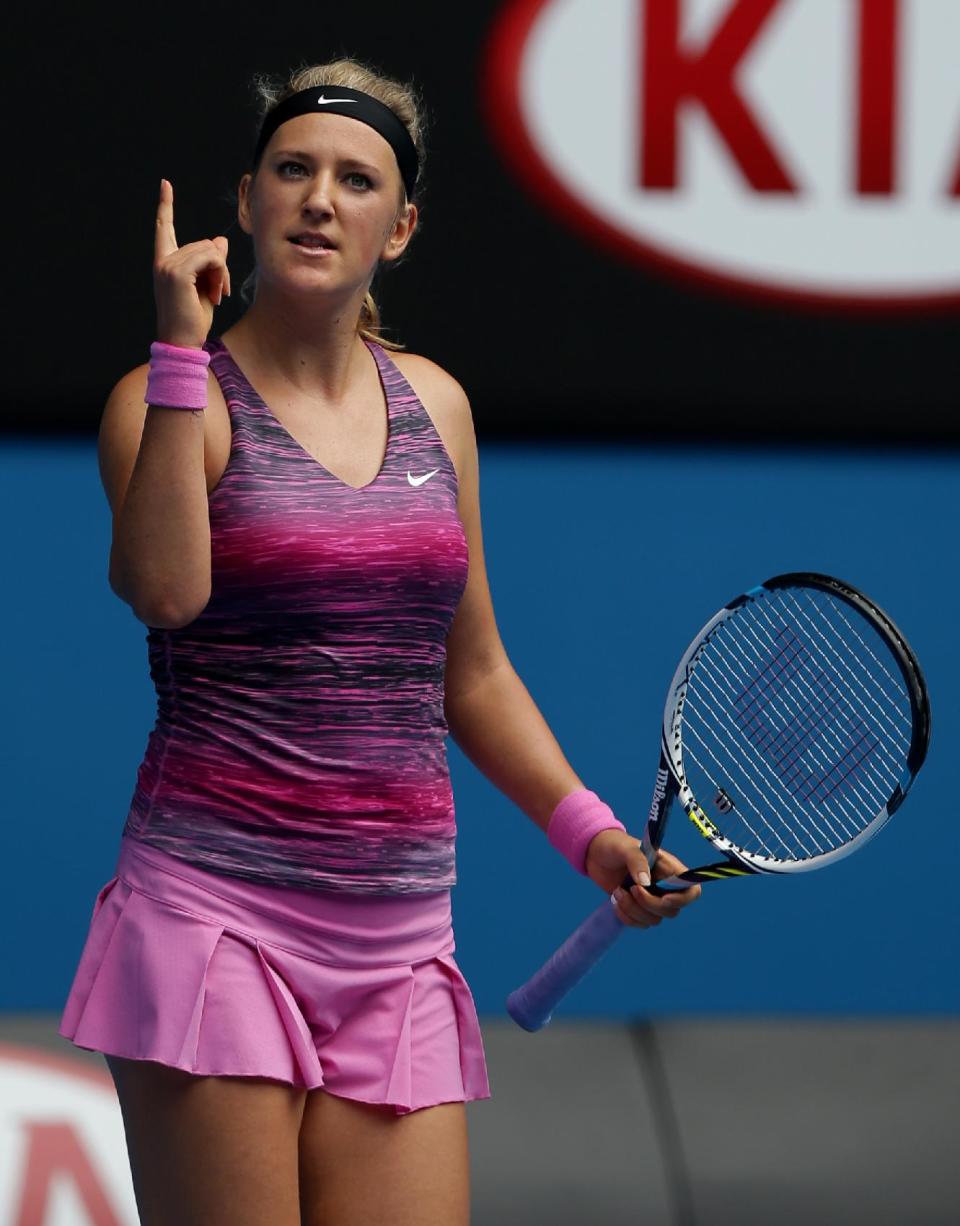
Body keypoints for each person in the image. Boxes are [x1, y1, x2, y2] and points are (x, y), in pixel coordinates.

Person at [58, 57, 701, 1226]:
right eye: (291, 170)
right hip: (216, 923)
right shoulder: (167, 398)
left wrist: (592, 831)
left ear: (398, 228)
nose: (319, 198)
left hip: (400, 943)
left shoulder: (436, 408)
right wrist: (172, 351)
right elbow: (160, 592)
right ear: (247, 199)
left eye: (356, 180)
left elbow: (475, 671)